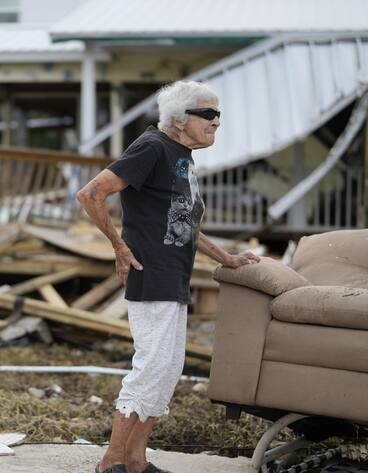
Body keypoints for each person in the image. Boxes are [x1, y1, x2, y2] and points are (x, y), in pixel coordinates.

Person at [76, 80, 260, 473]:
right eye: (208, 114)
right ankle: (111, 462)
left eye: (218, 114)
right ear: (180, 119)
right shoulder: (151, 147)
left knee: (168, 367)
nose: (217, 122)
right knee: (152, 366)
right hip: (151, 272)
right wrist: (119, 246)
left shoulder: (179, 155)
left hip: (173, 275)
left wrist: (225, 258)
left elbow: (184, 221)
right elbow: (91, 194)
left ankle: (137, 460)